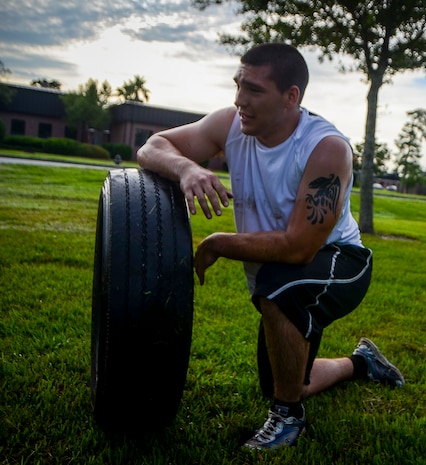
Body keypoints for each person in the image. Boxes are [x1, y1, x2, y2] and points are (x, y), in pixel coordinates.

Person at [137, 43, 404, 450]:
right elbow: (151, 146)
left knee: (278, 289)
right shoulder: (230, 125)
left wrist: (220, 243)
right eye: (238, 85)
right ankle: (362, 362)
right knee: (286, 380)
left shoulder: (326, 147)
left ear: (291, 97)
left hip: (341, 262)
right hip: (286, 267)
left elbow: (298, 248)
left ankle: (287, 418)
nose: (239, 100)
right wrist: (188, 168)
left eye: (255, 90)